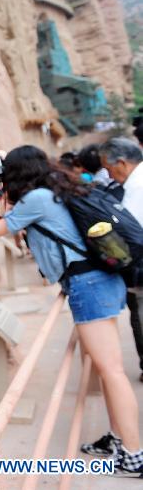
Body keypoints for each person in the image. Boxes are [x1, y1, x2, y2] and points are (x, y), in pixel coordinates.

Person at [0, 145, 143, 475]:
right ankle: (117, 440)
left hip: (88, 285)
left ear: (15, 175)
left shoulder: (36, 199)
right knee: (105, 368)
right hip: (98, 280)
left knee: (111, 370)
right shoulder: (52, 187)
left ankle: (134, 454)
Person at [98, 138, 143, 383]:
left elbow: (132, 231)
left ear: (122, 163)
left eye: (109, 168)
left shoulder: (137, 187)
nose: (109, 175)